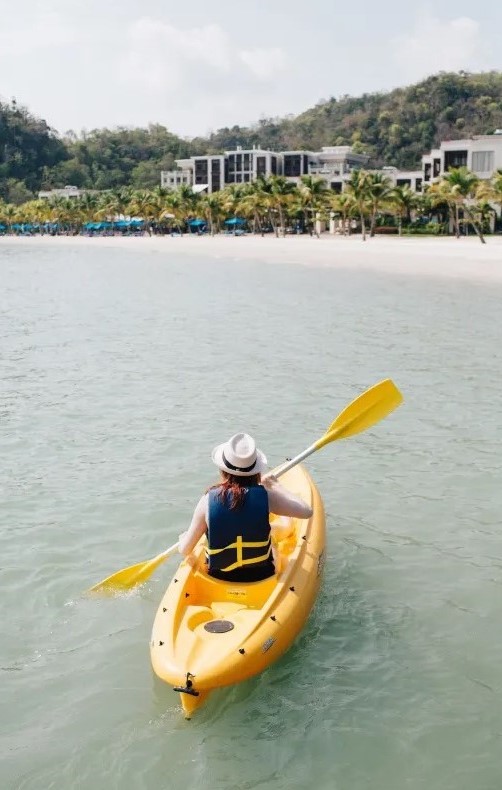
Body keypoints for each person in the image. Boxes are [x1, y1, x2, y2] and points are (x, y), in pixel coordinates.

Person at [178, 433, 313, 582]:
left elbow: (185, 550)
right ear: (256, 471)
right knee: (272, 537)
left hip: (218, 577)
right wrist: (277, 486)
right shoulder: (267, 497)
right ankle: (285, 523)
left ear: (223, 470)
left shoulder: (207, 501)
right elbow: (307, 511)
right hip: (262, 576)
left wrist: (183, 539)